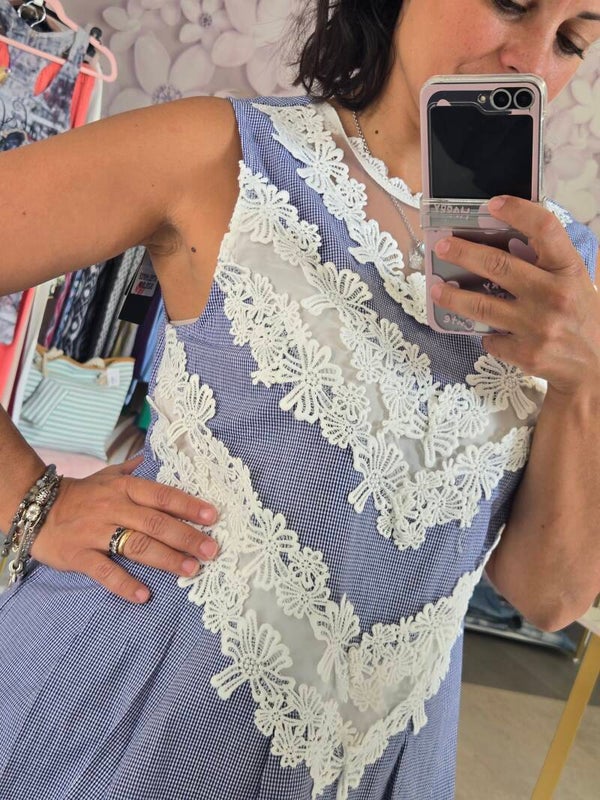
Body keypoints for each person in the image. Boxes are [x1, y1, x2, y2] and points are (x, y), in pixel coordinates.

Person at [0, 0, 599, 797]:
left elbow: (548, 597)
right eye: (510, 3)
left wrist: (586, 381)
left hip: (385, 756)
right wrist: (31, 501)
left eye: (572, 39)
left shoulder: (570, 280)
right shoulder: (219, 154)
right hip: (132, 706)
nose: (531, 58)